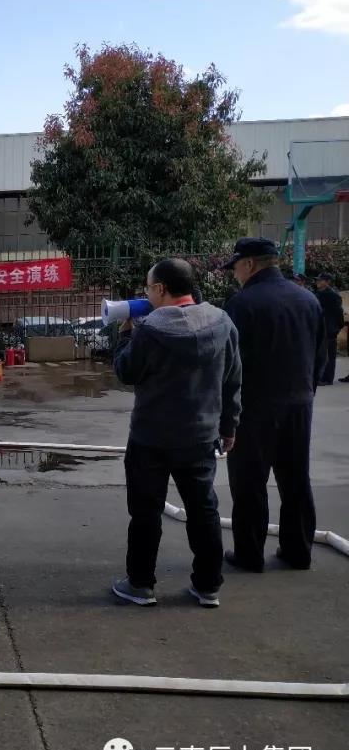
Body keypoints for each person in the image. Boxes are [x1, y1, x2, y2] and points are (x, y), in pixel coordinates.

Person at [111, 258, 241, 608]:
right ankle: (208, 586)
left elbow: (126, 372)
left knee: (146, 511)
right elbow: (232, 379)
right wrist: (229, 425)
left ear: (160, 288)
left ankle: (140, 584)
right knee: (203, 510)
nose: (146, 293)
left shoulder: (151, 330)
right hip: (200, 435)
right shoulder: (221, 321)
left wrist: (125, 335)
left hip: (150, 437)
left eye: (148, 286)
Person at [222, 238, 326, 572]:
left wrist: (226, 412)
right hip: (299, 404)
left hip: (253, 408)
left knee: (250, 481)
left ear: (249, 264)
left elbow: (230, 363)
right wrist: (305, 392)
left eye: (236, 267)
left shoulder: (242, 304)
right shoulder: (308, 299)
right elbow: (320, 356)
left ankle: (250, 554)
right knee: (296, 478)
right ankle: (298, 551)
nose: (235, 274)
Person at [315, 272, 345, 385]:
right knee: (321, 354)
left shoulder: (332, 295)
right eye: (318, 280)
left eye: (321, 280)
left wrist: (338, 326)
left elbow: (339, 313)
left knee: (329, 355)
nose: (318, 282)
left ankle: (327, 378)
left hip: (329, 329)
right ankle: (321, 376)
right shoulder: (318, 294)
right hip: (320, 328)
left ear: (327, 282)